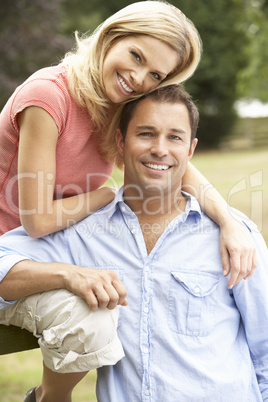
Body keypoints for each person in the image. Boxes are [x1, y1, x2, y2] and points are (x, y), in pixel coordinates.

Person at [0, 85, 267, 402]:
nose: (160, 148)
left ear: (190, 150)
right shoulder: (84, 233)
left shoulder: (232, 236)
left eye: (175, 137)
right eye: (146, 134)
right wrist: (66, 274)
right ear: (119, 142)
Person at [0, 1, 256, 288]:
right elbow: (37, 220)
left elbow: (171, 162)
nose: (138, 77)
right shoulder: (48, 97)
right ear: (112, 37)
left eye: (155, 75)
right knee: (95, 316)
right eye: (136, 56)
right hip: (9, 260)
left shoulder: (117, 107)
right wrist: (107, 195)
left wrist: (229, 222)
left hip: (54, 251)